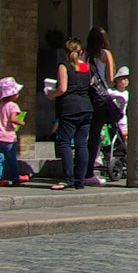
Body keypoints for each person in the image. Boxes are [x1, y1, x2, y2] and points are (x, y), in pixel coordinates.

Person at [51, 38, 95, 191]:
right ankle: (79, 181)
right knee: (81, 144)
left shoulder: (64, 66)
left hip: (69, 108)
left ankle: (68, 179)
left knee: (64, 142)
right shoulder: (86, 67)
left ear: (65, 52)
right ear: (81, 52)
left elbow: (62, 88)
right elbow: (89, 85)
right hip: (86, 107)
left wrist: (51, 94)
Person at [81, 26, 119, 186]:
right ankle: (92, 168)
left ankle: (83, 168)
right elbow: (110, 78)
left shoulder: (84, 54)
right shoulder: (105, 54)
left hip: (87, 97)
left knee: (86, 134)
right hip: (101, 98)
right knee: (98, 133)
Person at [0, 77, 25, 186]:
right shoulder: (13, 106)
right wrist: (21, 123)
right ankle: (15, 178)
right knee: (11, 158)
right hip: (9, 137)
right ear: (12, 94)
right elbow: (13, 119)